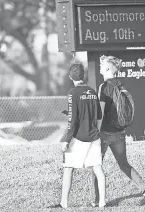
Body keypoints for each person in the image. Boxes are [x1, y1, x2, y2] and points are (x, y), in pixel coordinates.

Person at [92, 55, 145, 207]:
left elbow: (100, 113)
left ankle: (98, 200)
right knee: (124, 164)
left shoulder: (104, 87)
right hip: (120, 133)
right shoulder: (122, 85)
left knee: (96, 166)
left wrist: (95, 132)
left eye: (102, 65)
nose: (100, 67)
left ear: (108, 68)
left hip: (104, 133)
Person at [52, 64, 106, 208]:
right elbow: (99, 116)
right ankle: (102, 202)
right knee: (98, 168)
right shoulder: (93, 92)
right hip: (94, 137)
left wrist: (66, 140)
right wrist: (96, 132)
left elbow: (72, 120)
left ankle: (64, 203)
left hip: (78, 138)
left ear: (70, 77)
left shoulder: (73, 93)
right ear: (84, 76)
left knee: (68, 168)